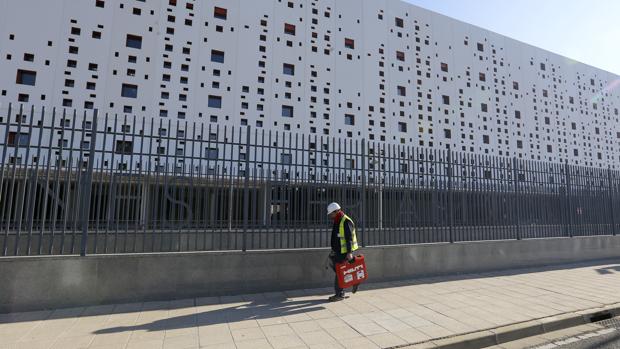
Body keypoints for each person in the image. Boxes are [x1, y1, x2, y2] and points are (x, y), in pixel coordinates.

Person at [327, 202, 360, 302]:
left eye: (331, 214)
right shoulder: (337, 220)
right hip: (338, 251)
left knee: (339, 273)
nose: (330, 216)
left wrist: (349, 252)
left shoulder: (345, 221)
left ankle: (340, 294)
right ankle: (353, 281)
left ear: (336, 211)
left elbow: (349, 238)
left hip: (344, 252)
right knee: (339, 271)